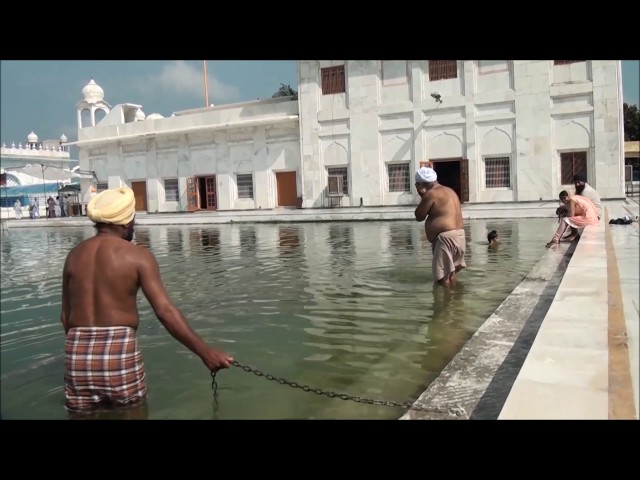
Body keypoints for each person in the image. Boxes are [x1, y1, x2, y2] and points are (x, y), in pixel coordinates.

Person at [60, 186, 233, 414]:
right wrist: (205, 353)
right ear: (124, 223)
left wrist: (88, 352)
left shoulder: (74, 256)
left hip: (77, 353)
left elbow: (65, 318)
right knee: (132, 414)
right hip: (119, 352)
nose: (134, 224)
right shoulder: (138, 256)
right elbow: (165, 312)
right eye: (133, 219)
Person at [414, 166, 466, 288]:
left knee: (442, 279)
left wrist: (422, 195)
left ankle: (445, 305)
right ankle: (455, 299)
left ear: (421, 184)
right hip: (459, 235)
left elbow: (419, 216)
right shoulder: (449, 190)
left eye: (417, 185)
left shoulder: (431, 194)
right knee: (451, 273)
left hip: (446, 238)